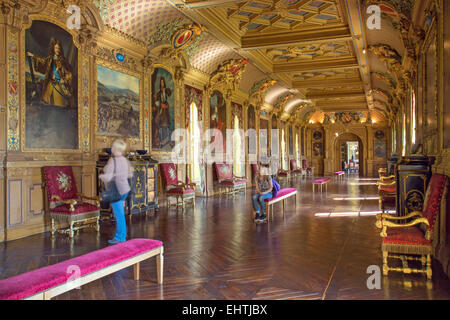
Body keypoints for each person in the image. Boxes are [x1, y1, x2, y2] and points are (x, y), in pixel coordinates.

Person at [99, 139, 133, 244]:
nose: (112, 148)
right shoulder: (125, 160)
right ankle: (121, 235)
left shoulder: (112, 161)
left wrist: (101, 176)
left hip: (117, 191)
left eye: (113, 147)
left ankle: (120, 237)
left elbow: (108, 177)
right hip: (125, 190)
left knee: (119, 215)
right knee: (120, 214)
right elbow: (129, 175)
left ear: (115, 149)